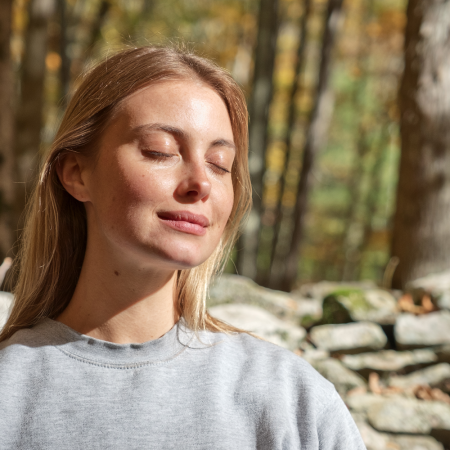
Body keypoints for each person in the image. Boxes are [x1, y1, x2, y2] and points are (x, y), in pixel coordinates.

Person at [0, 46, 366, 449]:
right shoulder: (10, 393)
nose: (201, 182)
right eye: (162, 151)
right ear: (76, 174)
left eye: (219, 164)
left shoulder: (291, 399)